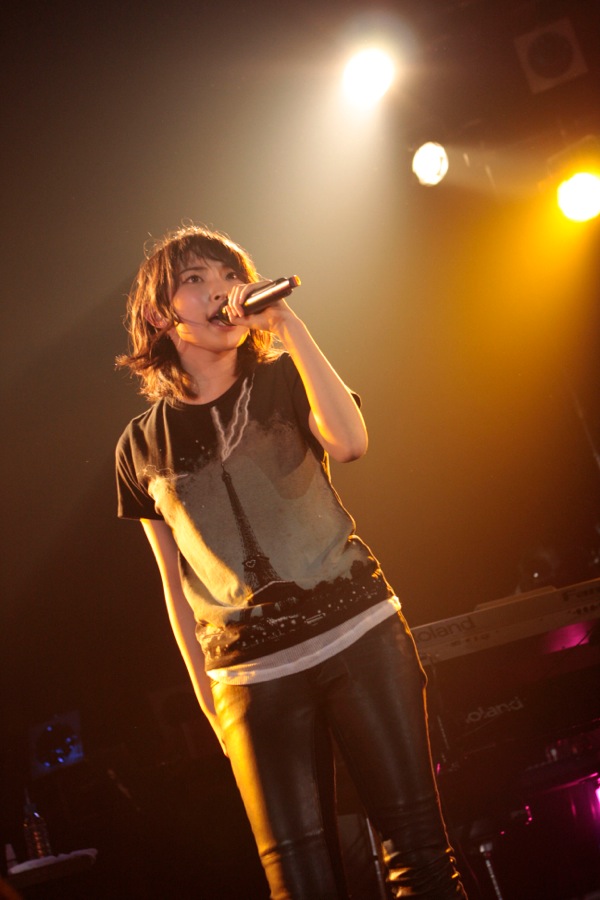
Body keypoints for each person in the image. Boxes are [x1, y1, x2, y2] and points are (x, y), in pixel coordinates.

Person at [115, 224, 467, 899]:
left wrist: (288, 325)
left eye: (229, 275)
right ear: (159, 315)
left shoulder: (283, 380)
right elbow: (175, 586)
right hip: (249, 679)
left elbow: (351, 443)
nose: (220, 289)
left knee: (420, 861)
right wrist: (212, 706)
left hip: (360, 637)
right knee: (299, 888)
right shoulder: (140, 445)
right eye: (196, 279)